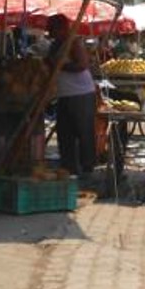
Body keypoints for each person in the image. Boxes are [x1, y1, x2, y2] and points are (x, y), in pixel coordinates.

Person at [46, 14, 98, 178]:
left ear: (61, 28)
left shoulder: (74, 42)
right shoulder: (55, 44)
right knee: (64, 133)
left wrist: (61, 65)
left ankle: (87, 168)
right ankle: (68, 168)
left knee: (84, 132)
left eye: (52, 29)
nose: (49, 32)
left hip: (80, 93)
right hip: (64, 94)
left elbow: (82, 65)